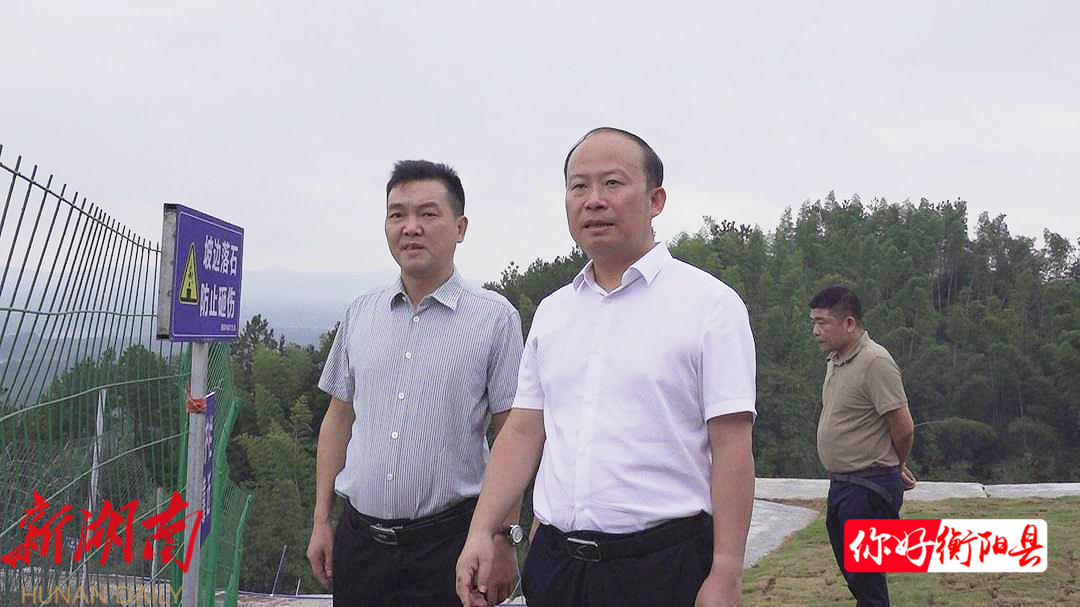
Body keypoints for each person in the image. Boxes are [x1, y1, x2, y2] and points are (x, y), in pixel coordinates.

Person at [456, 128, 757, 607]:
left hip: (663, 567)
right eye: (579, 186)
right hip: (557, 566)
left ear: (655, 200)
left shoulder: (710, 305)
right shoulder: (554, 312)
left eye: (613, 183)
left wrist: (726, 572)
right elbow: (523, 431)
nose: (593, 200)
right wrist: (482, 531)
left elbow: (732, 445)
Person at [307, 160, 524, 607]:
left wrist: (504, 536)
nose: (411, 228)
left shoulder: (495, 318)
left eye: (428, 214)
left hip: (450, 546)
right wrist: (321, 521)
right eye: (397, 214)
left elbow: (512, 434)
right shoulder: (360, 313)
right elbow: (338, 420)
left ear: (460, 228)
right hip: (360, 544)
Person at [809, 286, 916, 606]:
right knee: (858, 578)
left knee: (867, 581)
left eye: (823, 323)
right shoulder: (836, 359)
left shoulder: (875, 361)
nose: (816, 331)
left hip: (868, 488)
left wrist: (896, 464)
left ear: (849, 323)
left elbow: (903, 427)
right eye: (813, 323)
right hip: (844, 484)